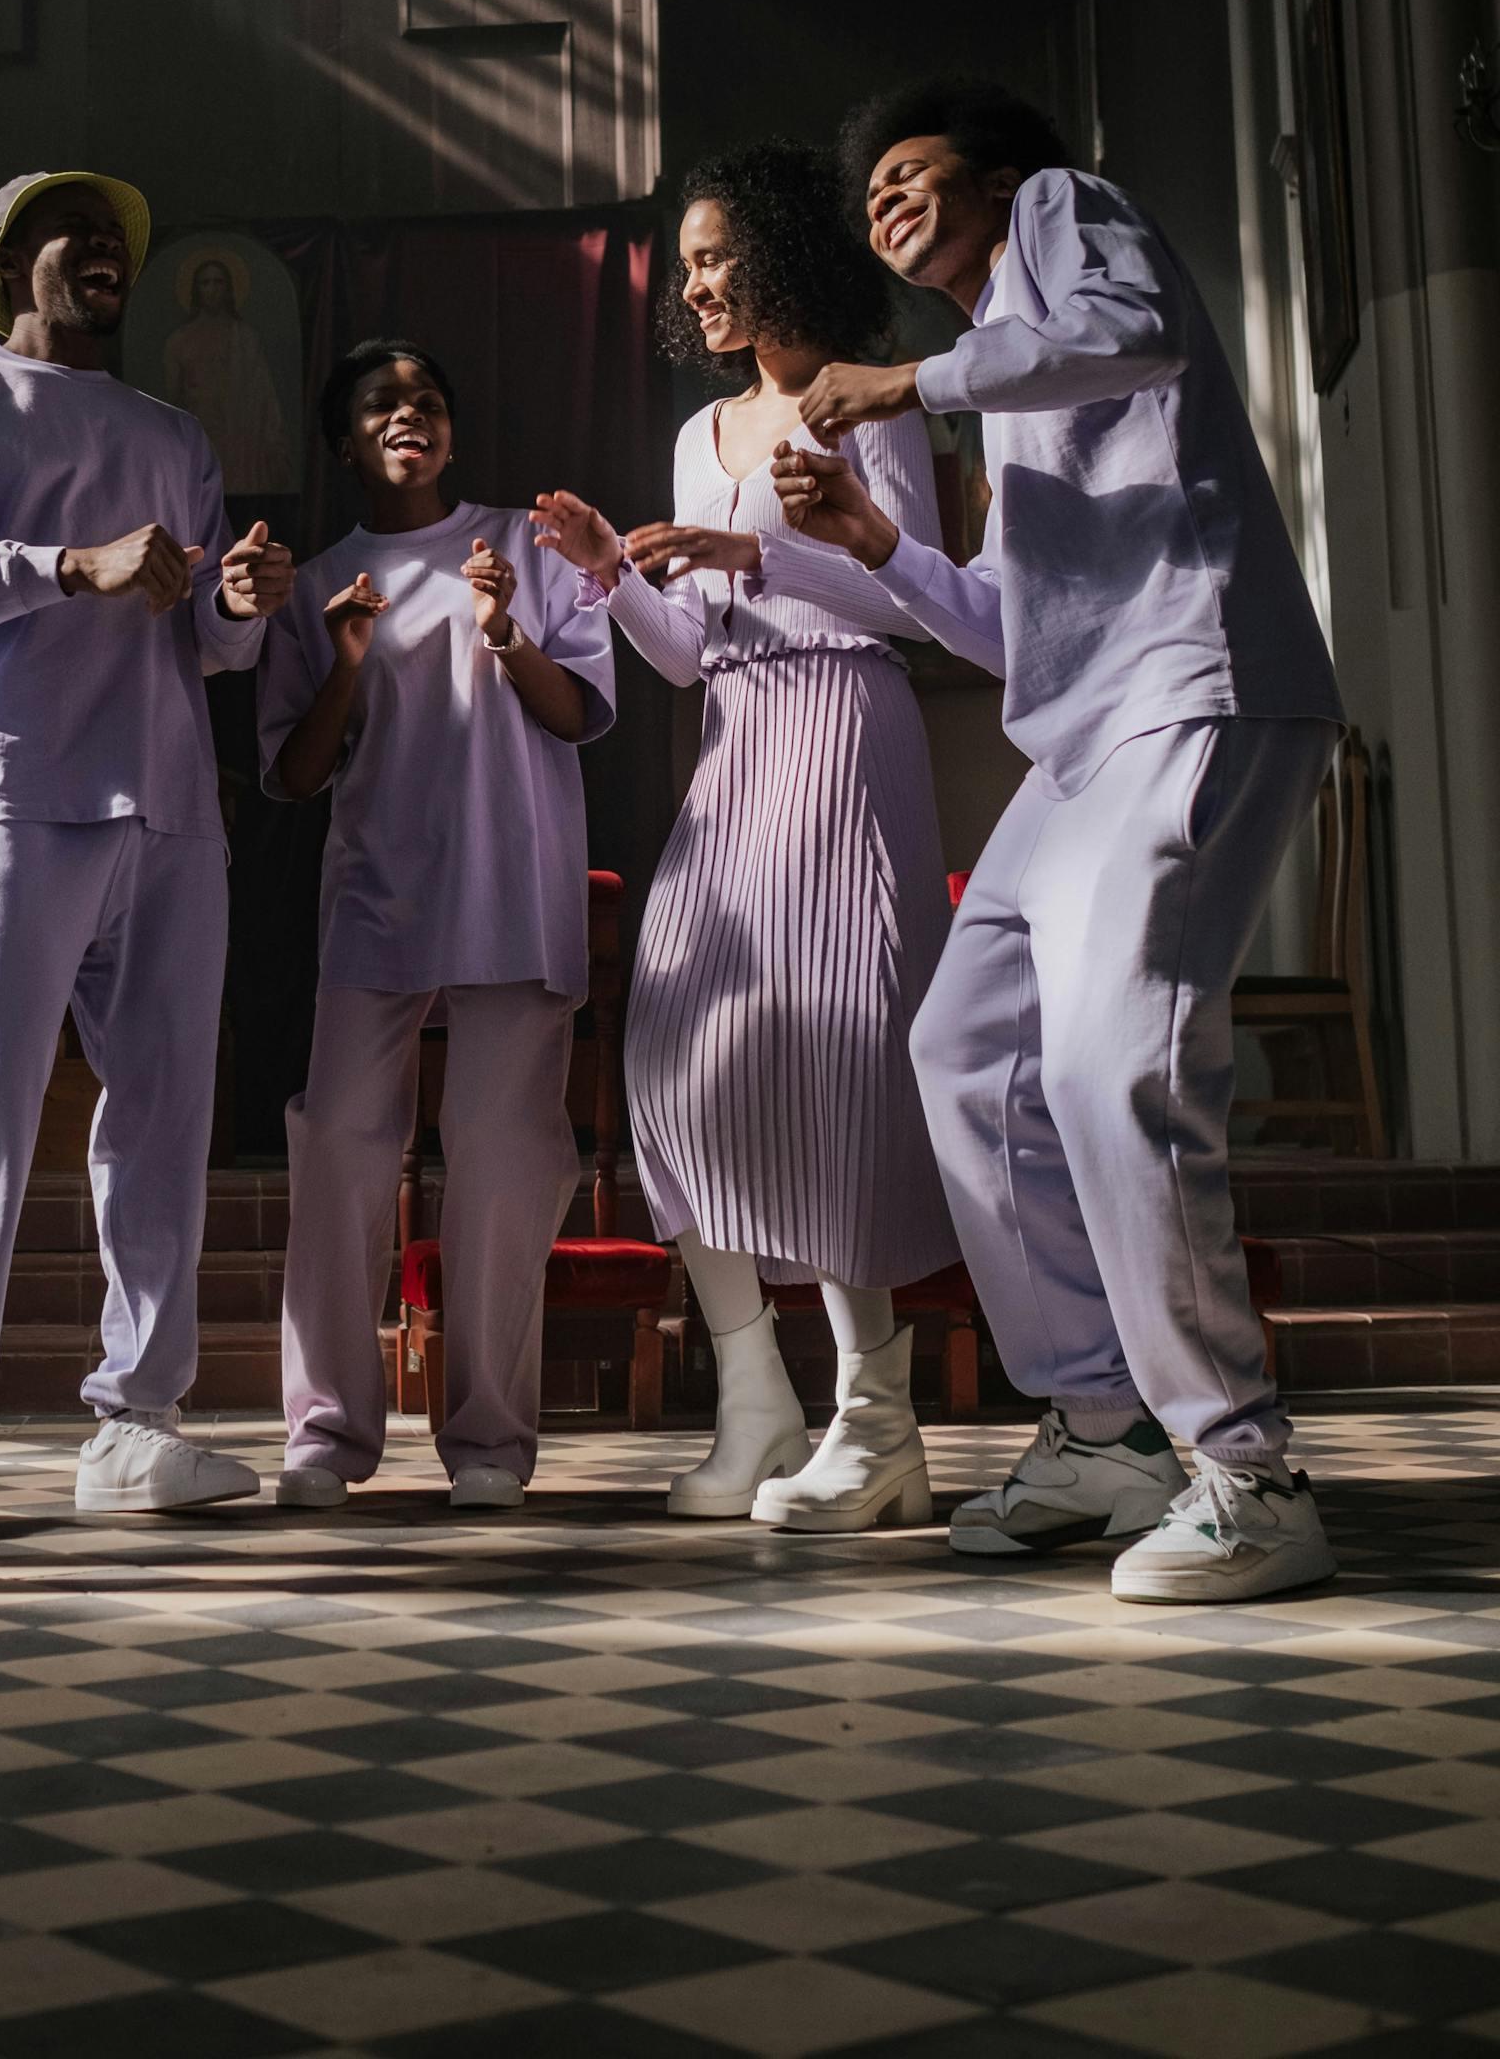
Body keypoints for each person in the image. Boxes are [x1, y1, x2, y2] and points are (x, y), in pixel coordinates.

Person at [773, 79, 1344, 1603]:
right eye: (871, 191)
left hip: (1192, 686)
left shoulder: (1061, 220)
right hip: (1082, 738)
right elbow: (1017, 628)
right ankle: (1101, 1423)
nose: (889, 201)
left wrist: (904, 386)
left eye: (913, 170)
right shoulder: (1004, 382)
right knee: (964, 1046)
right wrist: (881, 549)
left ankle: (1246, 1468)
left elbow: (1140, 329)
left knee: (1113, 1065)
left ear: (998, 170)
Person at [0, 172, 294, 1527]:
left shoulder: (173, 431)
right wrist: (66, 566)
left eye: (119, 239)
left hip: (167, 798)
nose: (105, 252)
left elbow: (208, 645)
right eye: (74, 231)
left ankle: (137, 1422)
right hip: (11, 784)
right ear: (9, 259)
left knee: (165, 1113)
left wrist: (236, 601)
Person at [535, 145, 955, 1530]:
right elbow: (678, 654)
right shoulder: (693, 435)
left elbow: (918, 599)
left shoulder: (865, 404)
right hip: (736, 741)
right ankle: (755, 1398)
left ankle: (876, 1420)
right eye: (689, 264)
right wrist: (610, 570)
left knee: (836, 1063)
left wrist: (751, 556)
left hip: (846, 722)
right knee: (673, 1055)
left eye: (720, 256)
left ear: (779, 254)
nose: (698, 283)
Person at [262, 339, 614, 1511]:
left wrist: (505, 631)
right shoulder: (320, 585)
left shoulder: (526, 545)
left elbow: (576, 719)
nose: (407, 414)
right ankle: (327, 1432)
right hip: (377, 896)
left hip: (512, 889)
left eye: (427, 400)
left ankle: (490, 1444)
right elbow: (296, 776)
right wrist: (348, 662)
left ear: (451, 433)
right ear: (344, 438)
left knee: (505, 1164)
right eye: (379, 402)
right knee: (344, 1154)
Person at [163, 250, 295, 492]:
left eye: (218, 282)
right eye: (205, 283)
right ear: (196, 289)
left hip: (242, 443)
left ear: (229, 288)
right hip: (201, 437)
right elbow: (173, 400)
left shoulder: (245, 336)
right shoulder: (180, 340)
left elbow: (263, 395)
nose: (212, 289)